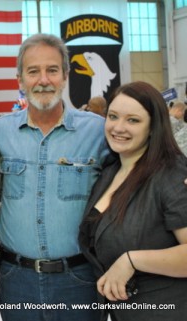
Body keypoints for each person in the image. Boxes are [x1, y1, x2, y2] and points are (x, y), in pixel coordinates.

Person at [0, 33, 109, 321]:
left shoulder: (98, 133)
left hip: (80, 281)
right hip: (17, 282)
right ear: (20, 80)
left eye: (52, 70)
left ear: (65, 76)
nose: (43, 80)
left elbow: (144, 163)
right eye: (33, 71)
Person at [79, 81, 187, 321]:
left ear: (153, 127)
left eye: (133, 120)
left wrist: (132, 260)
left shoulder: (172, 174)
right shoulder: (110, 171)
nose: (118, 127)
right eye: (113, 116)